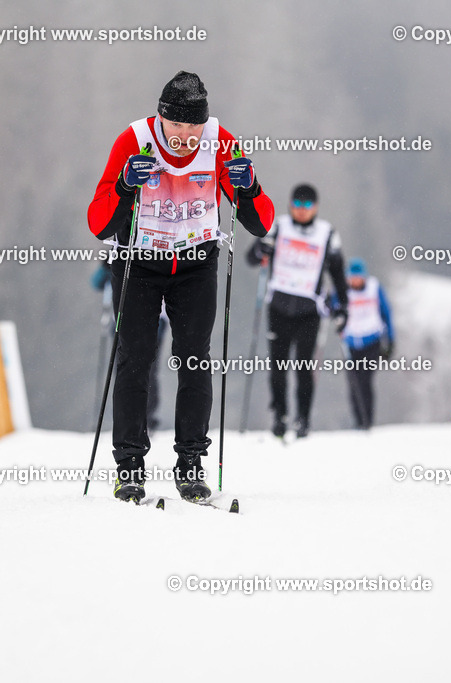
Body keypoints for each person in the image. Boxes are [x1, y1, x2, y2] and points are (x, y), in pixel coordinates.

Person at [87, 71, 274, 502]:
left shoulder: (221, 141)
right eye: (177, 128)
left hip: (194, 265)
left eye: (194, 130)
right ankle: (129, 467)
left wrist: (251, 187)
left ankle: (190, 463)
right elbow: (100, 223)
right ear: (161, 118)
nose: (186, 139)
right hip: (138, 263)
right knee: (134, 360)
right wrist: (123, 185)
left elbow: (261, 222)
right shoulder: (132, 141)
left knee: (194, 359)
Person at [246, 184, 347, 439]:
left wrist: (342, 307)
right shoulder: (277, 227)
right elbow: (251, 258)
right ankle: (279, 416)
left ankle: (303, 418)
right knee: (277, 367)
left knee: (304, 367)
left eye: (307, 206)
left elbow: (338, 274)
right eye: (297, 205)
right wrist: (262, 250)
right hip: (278, 306)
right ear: (291, 205)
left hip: (309, 310)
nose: (301, 211)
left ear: (315, 207)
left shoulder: (327, 234)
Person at [91, 262, 167, 430]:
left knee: (148, 368)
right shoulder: (116, 255)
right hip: (120, 322)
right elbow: (96, 283)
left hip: (154, 320)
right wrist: (105, 267)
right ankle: (126, 416)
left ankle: (147, 416)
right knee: (124, 369)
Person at [336, 258, 394, 429]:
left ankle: (367, 420)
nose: (355, 281)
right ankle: (358, 420)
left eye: (358, 277)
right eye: (352, 278)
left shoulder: (374, 288)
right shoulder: (342, 290)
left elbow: (386, 314)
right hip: (350, 343)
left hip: (371, 341)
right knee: (353, 381)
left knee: (365, 380)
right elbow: (333, 308)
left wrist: (390, 341)